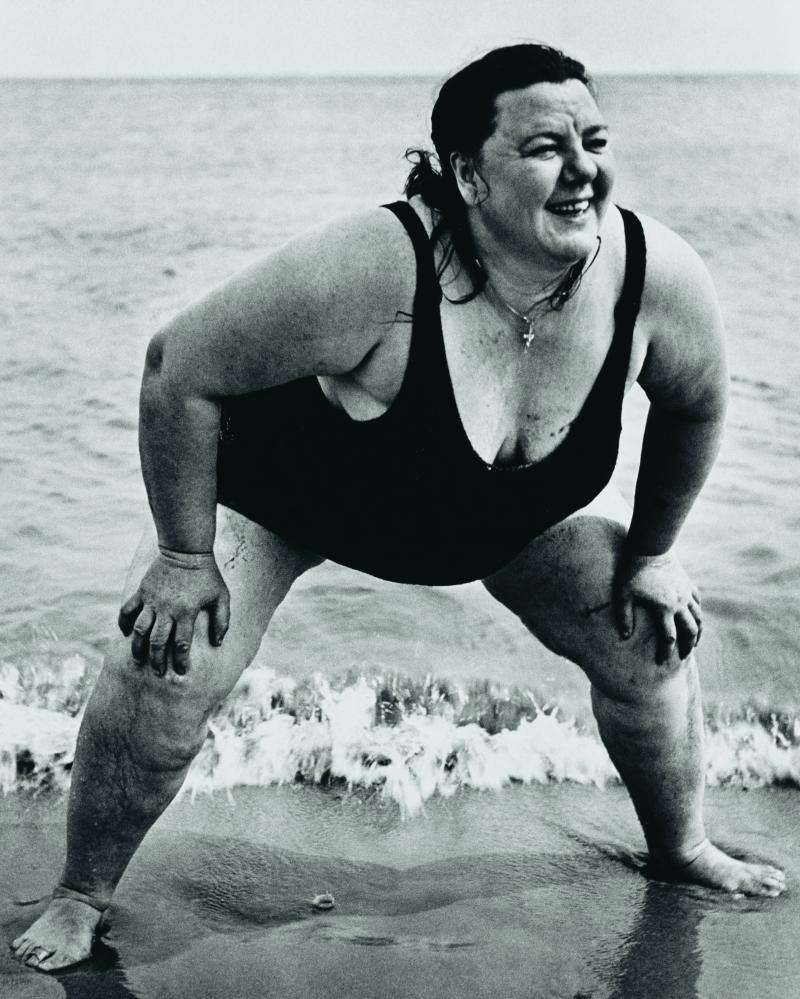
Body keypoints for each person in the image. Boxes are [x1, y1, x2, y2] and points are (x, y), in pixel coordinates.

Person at [12, 42, 785, 972]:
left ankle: (682, 846)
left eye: (595, 137)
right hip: (288, 498)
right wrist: (183, 558)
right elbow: (175, 371)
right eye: (545, 146)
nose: (584, 167)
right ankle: (81, 891)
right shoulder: (379, 268)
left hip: (493, 517)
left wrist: (656, 549)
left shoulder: (655, 279)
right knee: (171, 655)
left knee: (648, 632)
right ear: (468, 174)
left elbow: (698, 402)